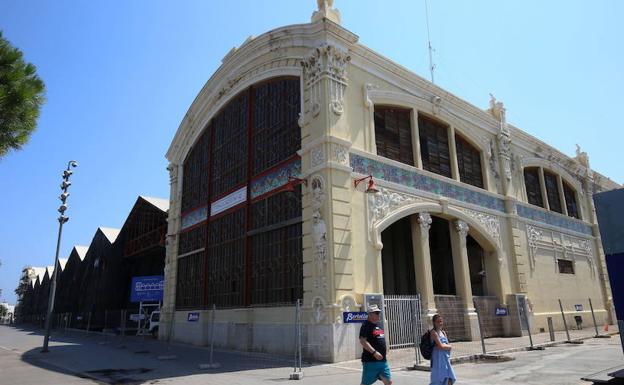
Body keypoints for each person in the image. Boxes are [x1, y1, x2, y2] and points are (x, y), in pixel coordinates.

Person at [359, 304, 392, 385]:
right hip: (371, 361)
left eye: (378, 312)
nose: (378, 314)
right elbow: (363, 341)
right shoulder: (366, 325)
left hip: (383, 361)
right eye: (376, 313)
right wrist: (374, 352)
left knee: (388, 382)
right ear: (370, 314)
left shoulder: (378, 325)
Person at [429, 314, 456, 385]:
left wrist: (446, 346)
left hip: (445, 359)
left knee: (450, 377)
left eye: (441, 321)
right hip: (437, 359)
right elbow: (441, 346)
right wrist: (449, 347)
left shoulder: (443, 332)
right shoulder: (433, 332)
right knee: (438, 380)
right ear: (434, 323)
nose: (440, 323)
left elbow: (445, 345)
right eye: (438, 322)